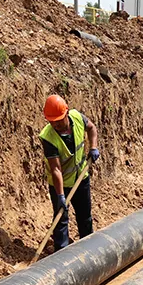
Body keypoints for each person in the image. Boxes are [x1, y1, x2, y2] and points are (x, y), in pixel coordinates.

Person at [39, 94, 99, 251]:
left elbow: (92, 128)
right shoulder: (48, 137)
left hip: (81, 178)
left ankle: (89, 249)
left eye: (59, 120)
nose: (56, 125)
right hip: (60, 184)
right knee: (61, 220)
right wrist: (60, 196)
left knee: (85, 217)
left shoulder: (77, 117)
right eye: (52, 122)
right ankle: (61, 253)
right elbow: (56, 169)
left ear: (66, 113)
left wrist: (93, 147)